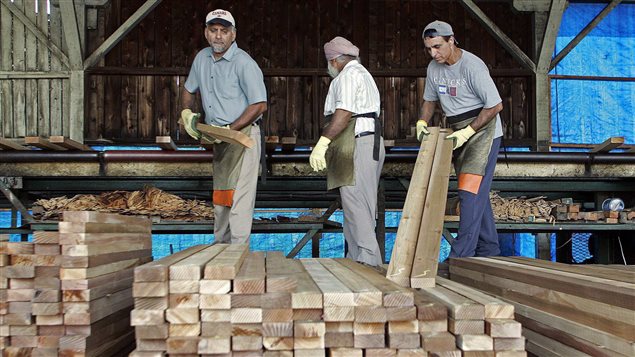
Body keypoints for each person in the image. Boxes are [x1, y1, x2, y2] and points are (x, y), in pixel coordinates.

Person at [417, 20, 503, 258]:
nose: (433, 53)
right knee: (477, 194)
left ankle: (460, 256)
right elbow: (429, 101)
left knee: (468, 193)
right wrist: (422, 122)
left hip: (483, 131)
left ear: (451, 40)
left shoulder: (472, 66)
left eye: (437, 47)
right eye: (429, 49)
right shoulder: (434, 69)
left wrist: (468, 132)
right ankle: (489, 249)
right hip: (458, 132)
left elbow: (495, 105)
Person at [180, 9, 267, 244]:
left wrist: (231, 128)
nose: (218, 36)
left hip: (243, 136)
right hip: (219, 138)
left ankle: (237, 253)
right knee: (221, 198)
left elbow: (259, 105)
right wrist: (187, 112)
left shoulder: (244, 63)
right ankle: (220, 251)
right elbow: (188, 89)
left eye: (224, 31)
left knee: (239, 199)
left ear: (233, 35)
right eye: (213, 30)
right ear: (206, 33)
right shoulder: (201, 58)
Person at [309, 37, 385, 267]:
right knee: (355, 205)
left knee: (357, 205)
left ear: (333, 61)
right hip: (362, 142)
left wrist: (323, 143)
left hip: (358, 143)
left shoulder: (349, 76)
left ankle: (369, 263)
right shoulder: (362, 74)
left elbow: (343, 113)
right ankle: (355, 262)